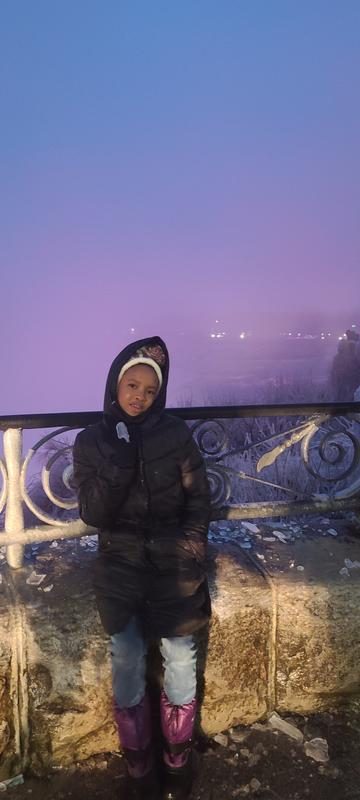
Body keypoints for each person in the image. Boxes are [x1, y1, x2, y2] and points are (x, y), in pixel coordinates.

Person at [73, 336, 211, 800]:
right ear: (114, 386)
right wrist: (120, 458)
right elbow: (94, 513)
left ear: (160, 394)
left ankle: (176, 756)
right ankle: (138, 765)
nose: (139, 396)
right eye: (131, 385)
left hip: (174, 560)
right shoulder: (93, 441)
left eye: (150, 390)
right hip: (121, 562)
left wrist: (192, 546)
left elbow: (198, 498)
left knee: (181, 654)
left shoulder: (174, 434)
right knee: (128, 655)